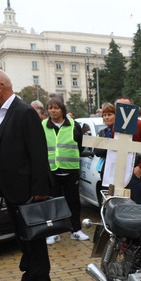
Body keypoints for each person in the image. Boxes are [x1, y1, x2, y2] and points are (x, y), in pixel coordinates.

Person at [0, 69, 53, 281]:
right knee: (23, 239)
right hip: (10, 188)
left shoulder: (24, 112)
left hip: (27, 190)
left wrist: (39, 189)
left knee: (34, 239)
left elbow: (38, 153)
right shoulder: (2, 112)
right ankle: (29, 278)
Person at [41, 97, 89, 244]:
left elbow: (81, 145)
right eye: (50, 108)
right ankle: (53, 233)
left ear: (62, 109)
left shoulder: (74, 125)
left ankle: (76, 230)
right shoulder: (43, 125)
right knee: (52, 202)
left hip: (70, 169)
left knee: (74, 201)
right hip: (51, 170)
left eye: (56, 107)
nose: (53, 110)